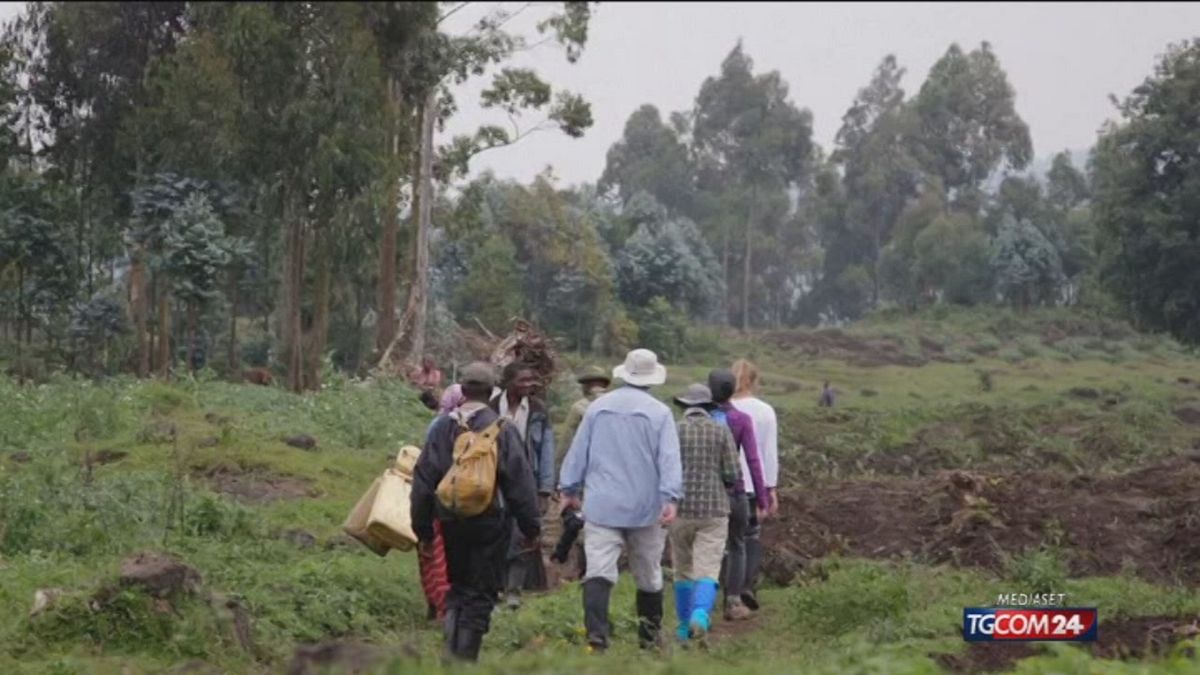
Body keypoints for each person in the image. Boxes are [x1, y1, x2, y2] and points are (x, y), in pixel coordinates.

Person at [410, 363, 542, 662]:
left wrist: (424, 531)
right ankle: (465, 660)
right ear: (491, 391)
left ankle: (450, 654)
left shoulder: (442, 427)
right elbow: (520, 483)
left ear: (463, 390)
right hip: (490, 521)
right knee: (481, 592)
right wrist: (531, 528)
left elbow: (422, 481)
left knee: (457, 585)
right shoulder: (501, 428)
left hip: (449, 519)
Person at [559, 348, 682, 653]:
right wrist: (671, 498)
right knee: (649, 573)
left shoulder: (598, 408)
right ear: (652, 379)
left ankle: (597, 638)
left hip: (602, 505)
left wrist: (569, 490)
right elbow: (669, 460)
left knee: (598, 571)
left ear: (623, 374)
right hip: (646, 506)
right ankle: (650, 639)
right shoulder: (660, 413)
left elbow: (578, 451)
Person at [669, 383, 740, 643]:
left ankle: (683, 626)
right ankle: (701, 614)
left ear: (685, 406)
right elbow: (732, 473)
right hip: (714, 510)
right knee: (707, 567)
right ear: (709, 407)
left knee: (682, 568)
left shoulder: (674, 431)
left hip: (680, 509)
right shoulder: (721, 431)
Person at [491, 361, 556, 609]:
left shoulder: (538, 410)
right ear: (508, 382)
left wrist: (545, 489)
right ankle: (496, 587)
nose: (529, 385)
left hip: (527, 478)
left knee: (523, 533)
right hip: (496, 480)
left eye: (532, 380)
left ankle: (514, 590)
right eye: (523, 380)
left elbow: (546, 449)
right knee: (498, 532)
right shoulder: (493, 407)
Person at [708, 368, 769, 622]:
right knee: (737, 545)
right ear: (733, 390)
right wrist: (763, 497)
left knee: (709, 547)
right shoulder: (742, 420)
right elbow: (753, 460)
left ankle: (702, 603)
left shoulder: (704, 417)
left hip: (708, 493)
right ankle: (733, 601)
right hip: (736, 492)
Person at [730, 359, 780, 612]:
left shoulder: (722, 409)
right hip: (753, 484)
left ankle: (728, 591)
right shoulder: (764, 411)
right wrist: (770, 489)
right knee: (751, 536)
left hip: (726, 484)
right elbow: (768, 453)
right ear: (755, 381)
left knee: (727, 540)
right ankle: (746, 585)